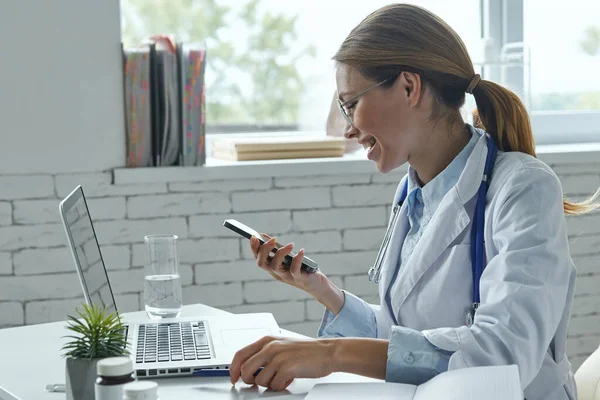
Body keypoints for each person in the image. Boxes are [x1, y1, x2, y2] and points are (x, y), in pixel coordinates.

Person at [229, 4, 600, 399]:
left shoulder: (524, 188)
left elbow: (502, 355)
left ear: (409, 87)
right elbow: (406, 342)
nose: (348, 129)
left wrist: (330, 353)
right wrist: (324, 291)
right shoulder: (413, 194)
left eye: (351, 104)